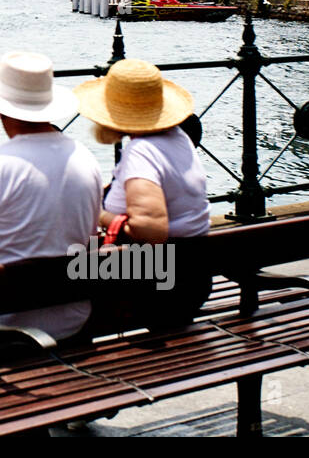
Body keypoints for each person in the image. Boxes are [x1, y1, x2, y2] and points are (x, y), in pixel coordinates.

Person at [0, 51, 102, 341]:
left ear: (1, 109)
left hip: (4, 326)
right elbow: (90, 245)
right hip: (74, 321)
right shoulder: (86, 159)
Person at [74, 58, 212, 326]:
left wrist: (97, 212)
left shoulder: (142, 151)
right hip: (191, 275)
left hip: (158, 285)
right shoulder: (178, 138)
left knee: (52, 274)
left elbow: (151, 232)